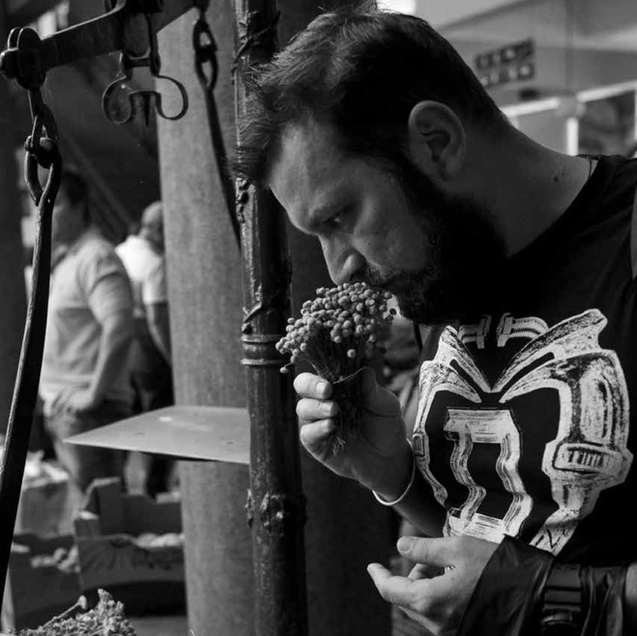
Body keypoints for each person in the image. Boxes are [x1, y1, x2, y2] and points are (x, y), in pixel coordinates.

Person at [231, 3, 637, 635]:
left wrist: (550, 597)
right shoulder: (449, 266)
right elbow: (512, 533)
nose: (338, 270)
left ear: (436, 141)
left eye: (341, 217)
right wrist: (395, 476)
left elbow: (524, 584)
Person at [39, 165, 135, 497]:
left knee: (102, 510)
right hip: (67, 410)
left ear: (80, 207)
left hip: (90, 412)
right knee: (89, 510)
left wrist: (93, 394)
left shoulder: (96, 257)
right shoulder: (69, 258)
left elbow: (120, 328)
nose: (44, 212)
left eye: (55, 203)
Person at [116, 200, 175, 498]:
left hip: (123, 350)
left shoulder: (120, 252)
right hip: (148, 352)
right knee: (158, 421)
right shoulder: (154, 262)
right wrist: (173, 358)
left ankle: (123, 489)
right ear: (160, 230)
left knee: (129, 420)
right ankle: (154, 490)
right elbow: (157, 319)